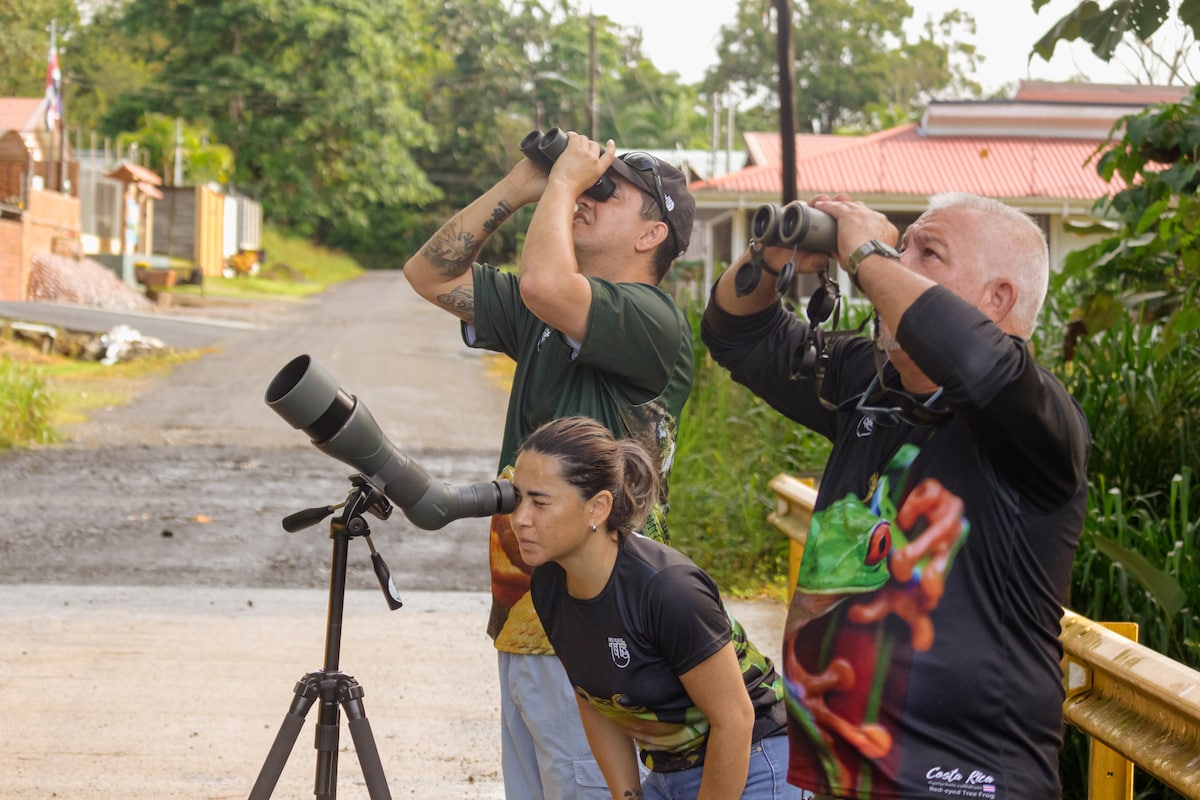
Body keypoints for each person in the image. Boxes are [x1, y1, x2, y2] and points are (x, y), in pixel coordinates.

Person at [701, 192, 1090, 799]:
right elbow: (739, 333)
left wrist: (865, 254)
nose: (896, 261)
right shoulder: (869, 384)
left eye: (926, 251)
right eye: (898, 246)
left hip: (966, 783)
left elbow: (977, 363)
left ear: (998, 300)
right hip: (838, 778)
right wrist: (771, 251)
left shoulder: (1034, 417)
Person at [403, 130, 695, 798]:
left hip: (605, 613)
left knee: (586, 786)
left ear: (652, 234)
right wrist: (519, 188)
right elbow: (429, 274)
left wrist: (563, 184)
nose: (588, 194)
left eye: (607, 190)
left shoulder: (651, 318)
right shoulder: (546, 314)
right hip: (524, 607)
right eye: (589, 185)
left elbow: (542, 282)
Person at [513, 415, 799, 800]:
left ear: (598, 507)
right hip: (668, 771)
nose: (519, 519)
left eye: (539, 502)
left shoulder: (668, 590)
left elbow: (735, 718)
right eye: (517, 498)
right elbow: (593, 698)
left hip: (754, 758)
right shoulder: (549, 583)